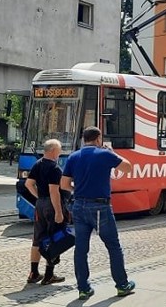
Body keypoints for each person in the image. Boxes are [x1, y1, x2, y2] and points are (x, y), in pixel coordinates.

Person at [60, 127, 134, 300]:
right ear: (98, 138)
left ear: (84, 139)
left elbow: (64, 184)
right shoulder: (104, 154)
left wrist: (77, 189)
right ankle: (122, 285)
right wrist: (112, 152)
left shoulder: (73, 156)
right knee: (113, 246)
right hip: (100, 207)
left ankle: (83, 289)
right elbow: (128, 168)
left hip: (78, 205)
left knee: (81, 249)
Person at [24, 139, 68, 285]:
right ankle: (49, 275)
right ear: (53, 151)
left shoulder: (37, 164)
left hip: (40, 204)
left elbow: (28, 184)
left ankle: (33, 273)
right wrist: (59, 212)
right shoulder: (55, 168)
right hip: (51, 204)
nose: (60, 153)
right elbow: (54, 191)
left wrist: (39, 197)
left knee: (37, 239)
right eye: (59, 150)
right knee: (55, 238)